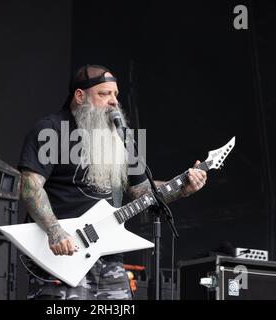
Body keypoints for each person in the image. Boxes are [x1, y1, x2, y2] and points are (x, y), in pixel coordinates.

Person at [18, 64, 207, 300]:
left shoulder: (121, 138)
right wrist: (55, 231)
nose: (114, 101)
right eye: (104, 93)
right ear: (80, 96)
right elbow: (30, 186)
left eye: (115, 94)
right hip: (61, 255)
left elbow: (141, 190)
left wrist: (183, 188)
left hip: (109, 257)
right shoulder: (51, 130)